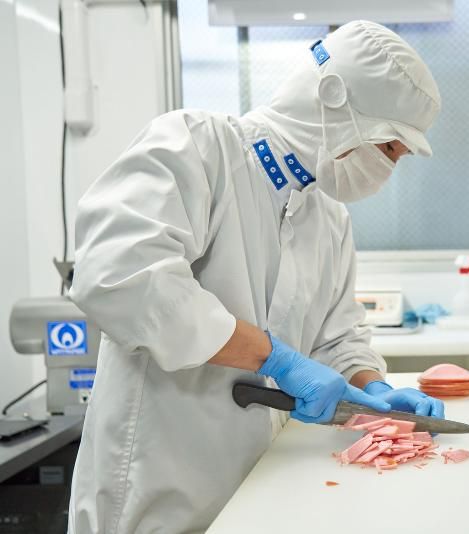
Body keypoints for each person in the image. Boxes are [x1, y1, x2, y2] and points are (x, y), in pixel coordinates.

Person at [67, 21, 443, 533]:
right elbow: (120, 276)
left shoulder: (328, 217)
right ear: (335, 101)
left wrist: (373, 390)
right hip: (157, 491)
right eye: (390, 148)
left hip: (265, 487)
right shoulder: (197, 147)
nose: (390, 166)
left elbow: (338, 338)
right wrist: (275, 358)